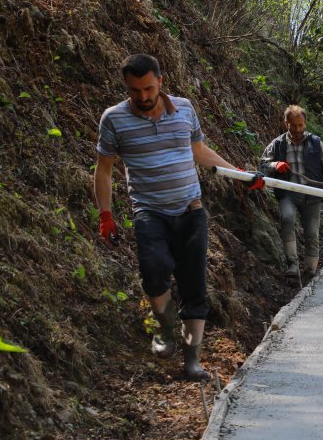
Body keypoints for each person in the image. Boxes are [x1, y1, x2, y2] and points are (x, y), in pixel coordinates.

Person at [94, 53, 261, 381]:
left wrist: (241, 175)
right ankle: (165, 328)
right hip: (149, 212)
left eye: (148, 88)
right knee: (154, 272)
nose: (142, 97)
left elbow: (200, 152)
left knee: (194, 285)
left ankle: (192, 360)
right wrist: (105, 215)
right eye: (134, 90)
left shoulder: (184, 108)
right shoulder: (114, 119)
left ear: (160, 82)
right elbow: (104, 169)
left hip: (190, 211)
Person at [259, 105, 323, 277]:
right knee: (288, 219)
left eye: (301, 125)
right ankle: (292, 265)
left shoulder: (316, 143)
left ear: (305, 124)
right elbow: (262, 165)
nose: (298, 129)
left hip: (312, 195)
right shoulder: (277, 144)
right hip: (288, 193)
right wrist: (275, 165)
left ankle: (311, 269)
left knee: (312, 233)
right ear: (286, 124)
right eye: (294, 125)